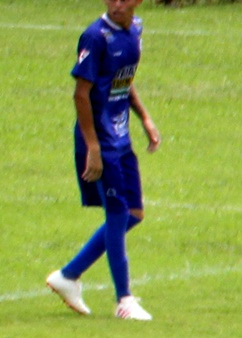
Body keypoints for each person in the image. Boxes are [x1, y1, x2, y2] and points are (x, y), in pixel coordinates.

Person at [46, 0, 161, 321]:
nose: (117, 3)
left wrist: (145, 119)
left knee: (134, 214)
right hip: (99, 141)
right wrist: (92, 147)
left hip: (120, 137)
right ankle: (124, 299)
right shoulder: (95, 37)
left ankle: (68, 276)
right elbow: (81, 94)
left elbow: (122, 80)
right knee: (117, 212)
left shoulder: (135, 29)